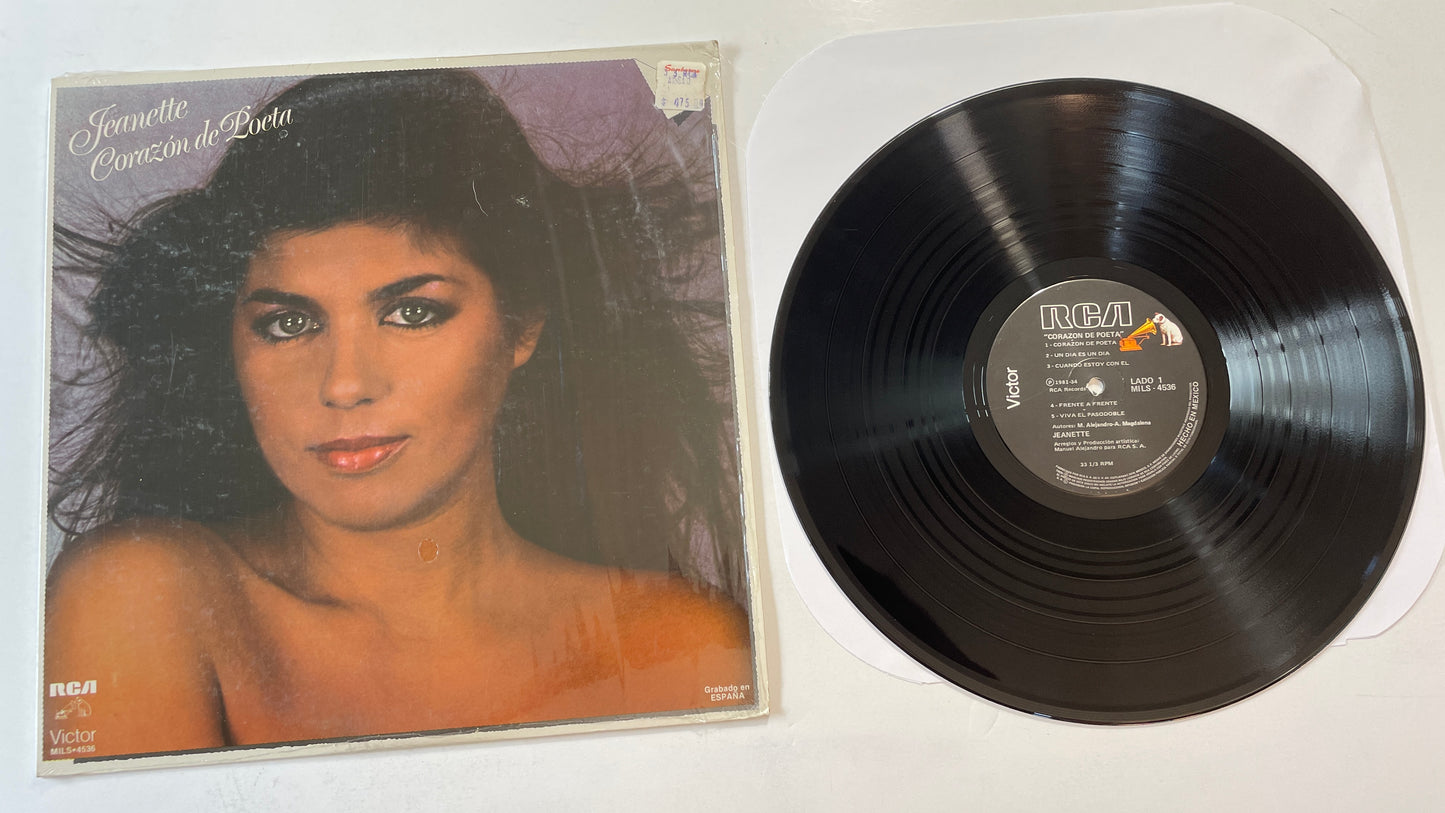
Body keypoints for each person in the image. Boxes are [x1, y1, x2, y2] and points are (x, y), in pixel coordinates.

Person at [44, 68, 754, 760]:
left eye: (412, 313)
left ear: (522, 326)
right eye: (289, 324)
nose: (344, 385)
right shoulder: (138, 594)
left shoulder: (680, 640)